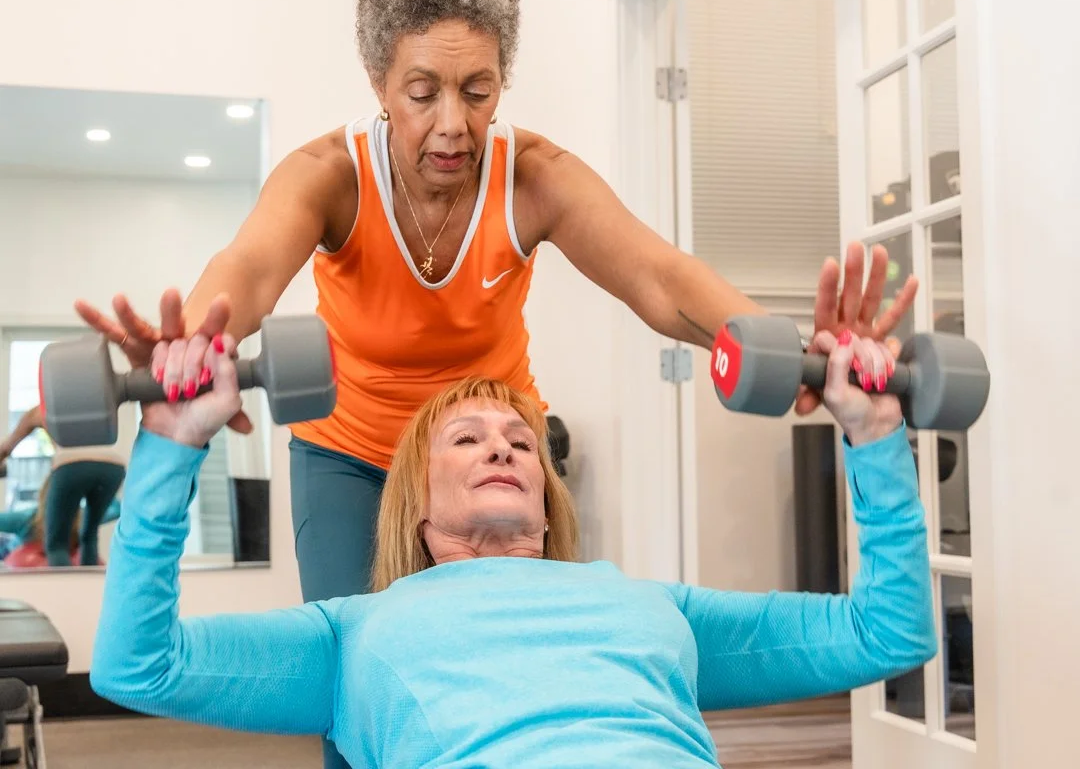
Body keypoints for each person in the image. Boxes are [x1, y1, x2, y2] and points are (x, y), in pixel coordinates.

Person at [75, 0, 916, 768]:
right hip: (351, 455)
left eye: (477, 91)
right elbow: (247, 271)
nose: (452, 125)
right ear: (377, 81)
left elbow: (660, 279)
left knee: (535, 655)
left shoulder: (535, 177)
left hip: (493, 439)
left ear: (502, 80)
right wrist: (195, 345)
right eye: (422, 91)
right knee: (354, 696)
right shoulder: (329, 175)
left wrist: (796, 351)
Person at [90, 314, 933, 768]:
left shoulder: (646, 604)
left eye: (520, 441)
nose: (501, 445)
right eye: (466, 438)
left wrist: (874, 434)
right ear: (414, 499)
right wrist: (173, 444)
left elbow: (886, 633)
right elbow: (138, 665)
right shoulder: (351, 633)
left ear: (544, 486)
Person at [0, 405, 125, 567]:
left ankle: (64, 588)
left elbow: (11, 441)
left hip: (70, 464)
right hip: (113, 465)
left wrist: (4, 453)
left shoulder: (29, 518)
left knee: (56, 545)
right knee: (89, 535)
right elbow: (117, 509)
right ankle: (90, 586)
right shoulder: (90, 406)